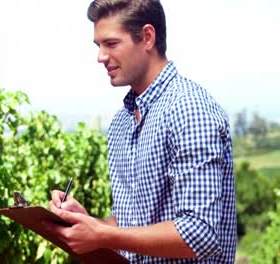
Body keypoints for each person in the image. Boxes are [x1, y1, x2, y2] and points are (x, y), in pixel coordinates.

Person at [45, 0, 237, 263]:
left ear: (147, 37)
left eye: (111, 44)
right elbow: (132, 222)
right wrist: (90, 223)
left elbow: (199, 233)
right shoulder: (121, 123)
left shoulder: (189, 109)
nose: (100, 57)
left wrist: (101, 235)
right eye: (98, 45)